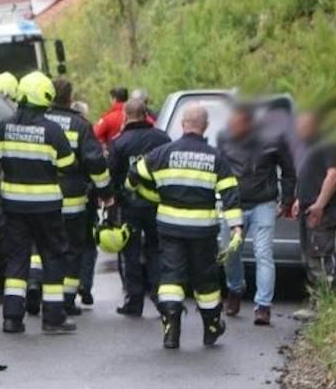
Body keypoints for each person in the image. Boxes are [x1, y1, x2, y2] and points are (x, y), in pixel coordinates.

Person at [131, 104, 243, 350]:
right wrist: (236, 227)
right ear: (205, 127)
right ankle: (212, 328)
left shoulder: (161, 153)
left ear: (183, 124)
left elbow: (134, 176)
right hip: (202, 230)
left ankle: (171, 331)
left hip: (170, 228)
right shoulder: (216, 157)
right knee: (205, 279)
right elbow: (230, 194)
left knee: (171, 276)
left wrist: (152, 195)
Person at [0, 71, 77, 335]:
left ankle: (12, 318)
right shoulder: (53, 131)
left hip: (13, 207)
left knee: (17, 259)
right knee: (53, 257)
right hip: (46, 209)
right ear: (46, 97)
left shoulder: (4, 126)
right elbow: (68, 166)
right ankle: (53, 318)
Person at [217, 103, 295, 326]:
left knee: (263, 253)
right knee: (230, 252)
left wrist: (286, 200)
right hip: (234, 204)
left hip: (264, 203)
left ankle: (263, 306)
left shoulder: (273, 139)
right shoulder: (225, 137)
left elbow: (289, 170)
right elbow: (218, 169)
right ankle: (235, 288)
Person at [43, 77, 111, 316]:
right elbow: (94, 161)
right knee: (72, 249)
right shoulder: (80, 125)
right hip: (72, 201)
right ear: (70, 99)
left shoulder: (39, 120)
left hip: (41, 199)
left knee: (40, 246)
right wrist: (106, 193)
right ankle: (68, 299)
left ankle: (35, 288)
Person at [108, 94, 171, 316]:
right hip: (158, 205)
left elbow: (113, 176)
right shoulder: (162, 139)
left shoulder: (119, 142)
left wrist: (113, 201)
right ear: (146, 114)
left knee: (131, 253)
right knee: (156, 250)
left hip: (130, 206)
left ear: (126, 116)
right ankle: (159, 295)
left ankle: (134, 301)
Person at [295, 111, 336, 293]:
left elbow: (334, 175)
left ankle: (326, 302)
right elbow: (308, 175)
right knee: (309, 258)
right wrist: (299, 199)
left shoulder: (331, 144)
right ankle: (317, 301)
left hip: (323, 211)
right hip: (307, 208)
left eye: (303, 126)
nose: (299, 130)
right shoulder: (307, 146)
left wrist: (320, 205)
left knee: (321, 258)